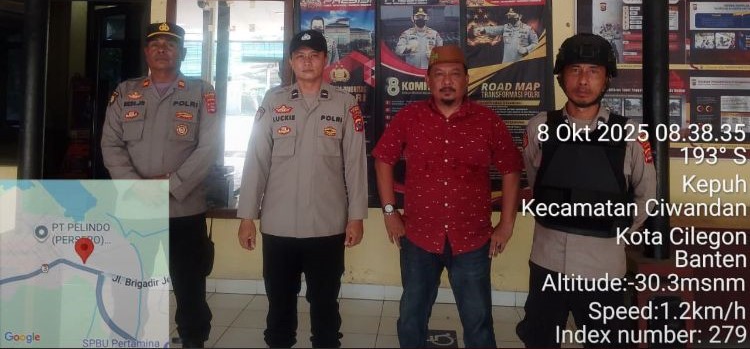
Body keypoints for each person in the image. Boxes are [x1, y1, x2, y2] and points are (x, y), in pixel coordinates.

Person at [373, 45, 523, 348]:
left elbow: (511, 168)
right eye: (439, 74)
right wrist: (390, 213)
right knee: (411, 317)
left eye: (455, 74)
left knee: (479, 322)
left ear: (467, 80)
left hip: (472, 239)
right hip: (418, 237)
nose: (447, 81)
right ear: (428, 80)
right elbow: (383, 159)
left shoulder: (487, 121)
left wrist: (507, 224)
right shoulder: (410, 117)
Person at [516, 33, 657, 348]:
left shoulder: (630, 134)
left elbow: (646, 196)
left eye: (593, 71)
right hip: (548, 262)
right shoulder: (539, 128)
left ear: (606, 79)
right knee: (539, 341)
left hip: (602, 268)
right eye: (575, 70)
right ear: (561, 77)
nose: (583, 80)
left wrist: (614, 229)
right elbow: (537, 183)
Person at [236, 29, 368, 349]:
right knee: (279, 304)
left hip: (327, 225)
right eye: (300, 56)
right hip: (278, 225)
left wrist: (356, 217)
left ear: (325, 60)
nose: (307, 62)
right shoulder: (273, 101)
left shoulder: (345, 104)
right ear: (291, 62)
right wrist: (247, 216)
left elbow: (356, 165)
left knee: (325, 305)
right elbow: (256, 160)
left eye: (314, 56)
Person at [101, 22, 217, 348]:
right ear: (146, 52)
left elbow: (209, 147)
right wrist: (136, 186)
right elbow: (110, 144)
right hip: (135, 209)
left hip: (184, 209)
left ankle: (193, 340)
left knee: (190, 286)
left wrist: (170, 185)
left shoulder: (201, 92)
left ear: (183, 52)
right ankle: (128, 339)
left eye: (170, 44)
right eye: (155, 44)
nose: (162, 49)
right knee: (129, 284)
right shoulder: (126, 92)